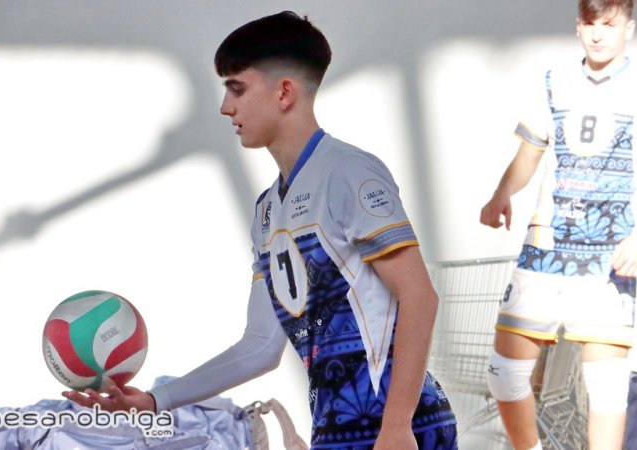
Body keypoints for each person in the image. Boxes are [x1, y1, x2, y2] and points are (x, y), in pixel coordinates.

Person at [65, 11, 457, 449]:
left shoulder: (349, 172)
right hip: (337, 430)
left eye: (237, 88)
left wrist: (397, 425)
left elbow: (419, 296)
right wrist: (157, 400)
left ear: (284, 92)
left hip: (398, 430)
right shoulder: (267, 211)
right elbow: (260, 346)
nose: (225, 107)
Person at [479, 1, 637, 449]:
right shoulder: (553, 81)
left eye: (608, 24)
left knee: (606, 387)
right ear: (578, 27)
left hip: (608, 254)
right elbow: (529, 154)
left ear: (629, 27)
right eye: (590, 24)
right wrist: (501, 194)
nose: (598, 34)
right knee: (504, 375)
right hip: (546, 249)